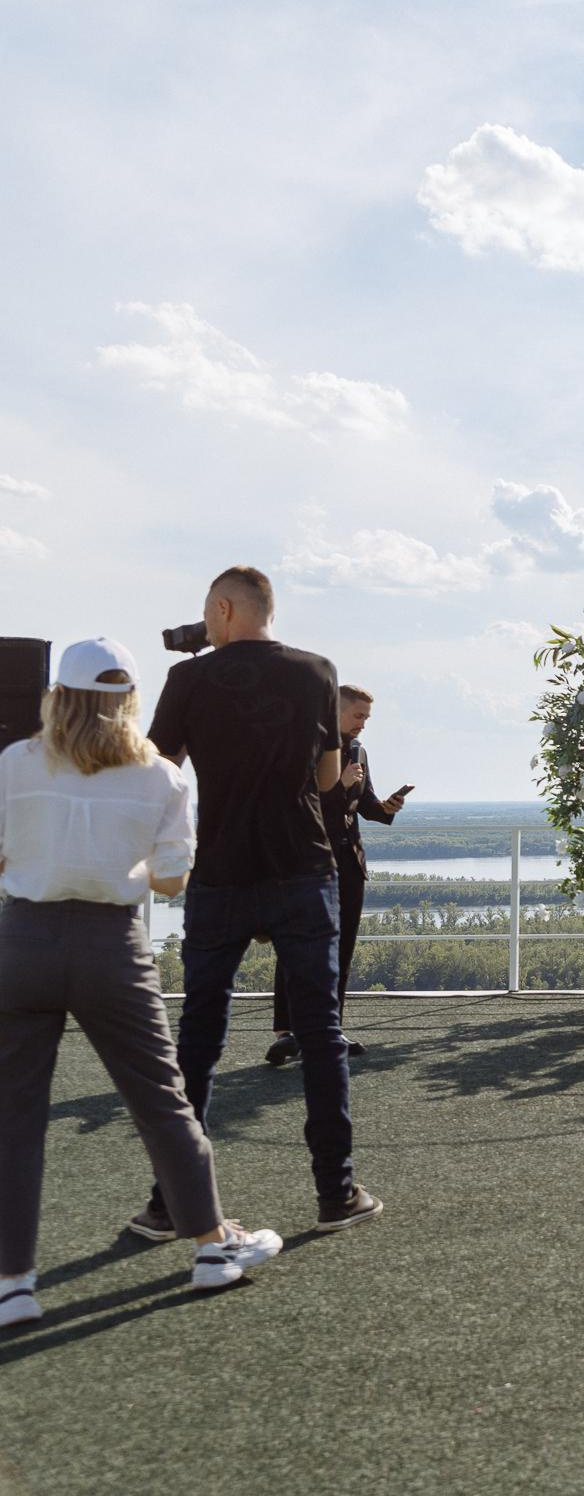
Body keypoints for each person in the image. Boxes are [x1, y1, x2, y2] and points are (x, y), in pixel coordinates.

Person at [1, 639, 285, 1326]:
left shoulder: (13, 764)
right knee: (163, 1103)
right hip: (110, 946)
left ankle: (14, 1286)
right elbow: (171, 878)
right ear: (129, 698)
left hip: (22, 941)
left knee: (12, 1120)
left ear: (58, 695)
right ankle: (214, 1250)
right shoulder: (161, 776)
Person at [135, 567, 379, 1238]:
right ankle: (337, 1193)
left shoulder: (188, 678)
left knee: (198, 1038)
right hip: (303, 868)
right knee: (321, 1034)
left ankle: (167, 1204)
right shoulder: (318, 670)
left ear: (222, 609)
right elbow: (329, 776)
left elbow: (160, 772)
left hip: (219, 874)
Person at [265, 683, 406, 1066]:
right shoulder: (306, 744)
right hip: (307, 863)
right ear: (336, 710)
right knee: (297, 945)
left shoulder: (359, 750)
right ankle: (286, 1032)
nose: (363, 724)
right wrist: (335, 786)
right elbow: (296, 805)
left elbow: (366, 806)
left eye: (366, 718)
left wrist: (389, 806)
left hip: (349, 864)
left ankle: (329, 1030)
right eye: (358, 715)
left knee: (340, 949)